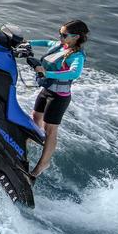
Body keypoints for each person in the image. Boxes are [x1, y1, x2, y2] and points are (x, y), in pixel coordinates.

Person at [27, 20, 89, 178]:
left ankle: (43, 164)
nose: (60, 37)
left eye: (64, 35)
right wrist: (25, 43)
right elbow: (45, 42)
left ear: (75, 37)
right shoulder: (60, 45)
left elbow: (74, 74)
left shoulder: (77, 56)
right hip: (46, 91)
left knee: (50, 130)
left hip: (59, 97)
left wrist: (47, 73)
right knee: (35, 118)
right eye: (59, 33)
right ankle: (27, 145)